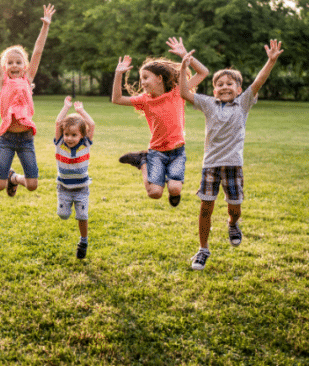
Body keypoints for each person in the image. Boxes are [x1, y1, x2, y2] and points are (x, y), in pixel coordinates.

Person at [179, 39, 284, 271]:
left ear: (238, 89)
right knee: (205, 207)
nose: (225, 87)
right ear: (214, 90)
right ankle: (203, 249)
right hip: (211, 165)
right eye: (220, 84)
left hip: (233, 165)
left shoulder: (243, 103)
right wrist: (185, 62)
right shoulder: (208, 104)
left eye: (230, 84)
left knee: (235, 207)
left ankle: (233, 223)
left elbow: (258, 81)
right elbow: (184, 91)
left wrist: (270, 60)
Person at [111, 37, 208, 207]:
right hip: (156, 152)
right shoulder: (144, 100)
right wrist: (119, 74)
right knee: (155, 193)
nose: (142, 82)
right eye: (141, 79)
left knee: (175, 189)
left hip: (177, 151)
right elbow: (117, 99)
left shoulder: (179, 92)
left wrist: (185, 55)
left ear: (159, 78)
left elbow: (203, 73)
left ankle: (174, 193)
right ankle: (142, 161)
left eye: (146, 77)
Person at [0, 3, 55, 196]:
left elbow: (38, 51)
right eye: (10, 62)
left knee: (32, 184)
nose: (14, 65)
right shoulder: (2, 81)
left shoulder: (28, 79)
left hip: (26, 139)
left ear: (24, 66)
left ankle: (14, 178)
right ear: (4, 66)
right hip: (7, 138)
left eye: (18, 62)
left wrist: (45, 26)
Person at [54, 96, 96, 259]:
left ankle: (83, 241)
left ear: (81, 136)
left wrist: (81, 111)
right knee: (63, 215)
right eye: (67, 134)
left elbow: (91, 125)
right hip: (64, 188)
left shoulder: (85, 144)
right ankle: (66, 205)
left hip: (81, 189)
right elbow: (58, 123)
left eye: (74, 135)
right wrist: (66, 108)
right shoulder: (60, 144)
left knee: (82, 216)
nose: (69, 138)